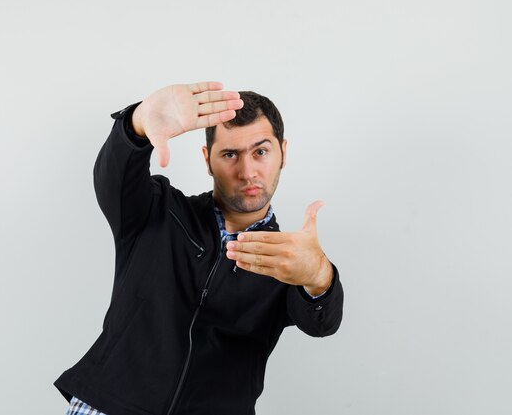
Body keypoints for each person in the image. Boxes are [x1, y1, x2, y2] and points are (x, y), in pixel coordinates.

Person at [54, 81, 344, 415]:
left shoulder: (286, 258)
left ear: (283, 153)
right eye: (230, 154)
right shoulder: (160, 211)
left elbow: (322, 322)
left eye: (260, 151)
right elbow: (114, 179)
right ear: (208, 160)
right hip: (109, 405)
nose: (247, 171)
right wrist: (135, 124)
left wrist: (319, 275)